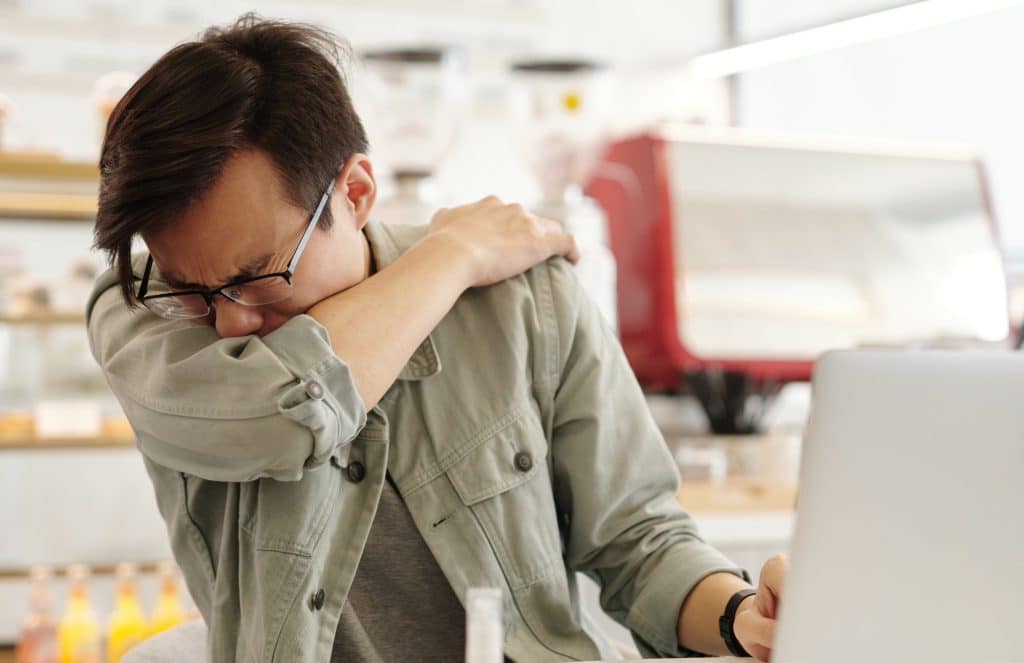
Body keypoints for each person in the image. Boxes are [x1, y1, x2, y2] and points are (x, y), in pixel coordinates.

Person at [86, 14, 786, 663]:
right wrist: (450, 258)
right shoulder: (138, 312)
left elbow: (639, 541)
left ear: (355, 194)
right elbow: (275, 411)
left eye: (257, 276)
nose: (229, 321)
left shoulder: (524, 302)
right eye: (191, 285)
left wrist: (742, 612)